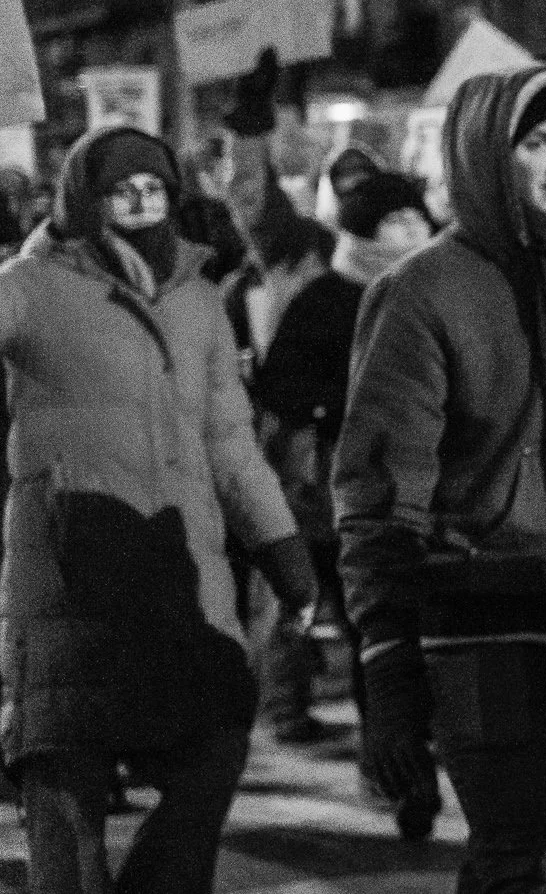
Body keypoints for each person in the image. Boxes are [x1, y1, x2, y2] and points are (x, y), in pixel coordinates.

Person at [335, 68, 546, 893]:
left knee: (528, 855)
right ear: (485, 152)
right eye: (537, 140)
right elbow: (377, 491)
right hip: (476, 623)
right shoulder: (420, 290)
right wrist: (387, 663)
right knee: (515, 851)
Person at [0, 125, 315, 894]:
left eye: (153, 190)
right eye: (121, 191)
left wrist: (284, 550)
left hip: (181, 567)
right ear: (84, 199)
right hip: (71, 564)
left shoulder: (201, 300)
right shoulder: (31, 285)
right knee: (66, 783)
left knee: (216, 740)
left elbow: (232, 445)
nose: (140, 204)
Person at [252, 170, 437, 806]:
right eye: (397, 221)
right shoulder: (327, 301)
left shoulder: (443, 292)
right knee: (374, 631)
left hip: (432, 489)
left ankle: (403, 750)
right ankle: (383, 759)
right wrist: (346, 413)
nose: (415, 230)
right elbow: (283, 395)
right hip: (340, 497)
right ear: (364, 230)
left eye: (419, 217)